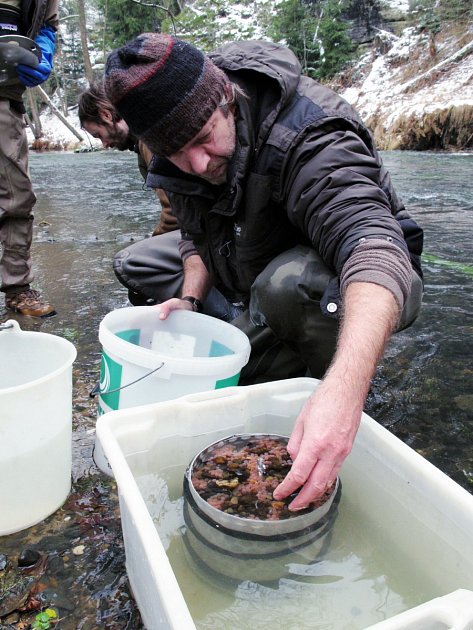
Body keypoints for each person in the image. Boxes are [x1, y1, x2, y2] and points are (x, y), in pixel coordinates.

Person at [104, 34, 424, 509]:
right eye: (176, 153)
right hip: (244, 259)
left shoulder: (310, 135)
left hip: (355, 274)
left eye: (204, 139)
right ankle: (249, 333)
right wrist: (189, 303)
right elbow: (194, 236)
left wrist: (344, 394)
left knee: (285, 286)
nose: (196, 163)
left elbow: (372, 248)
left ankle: (325, 383)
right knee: (140, 263)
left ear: (227, 100)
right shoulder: (176, 151)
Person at [77, 82, 181, 306]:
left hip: (204, 235)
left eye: (99, 134)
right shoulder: (148, 128)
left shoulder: (148, 139)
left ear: (106, 114)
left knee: (131, 263)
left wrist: (154, 245)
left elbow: (174, 212)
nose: (104, 144)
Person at [0, 0, 58, 317]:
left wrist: (43, 50)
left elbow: (48, 24)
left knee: (18, 197)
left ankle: (17, 289)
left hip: (5, 99)